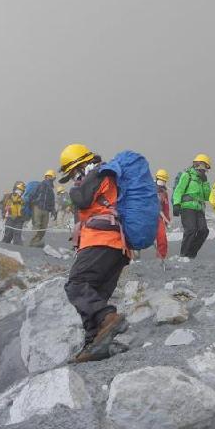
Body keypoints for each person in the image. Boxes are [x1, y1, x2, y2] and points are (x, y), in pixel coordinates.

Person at [59, 143, 129, 363]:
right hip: (117, 246)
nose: (73, 179)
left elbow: (82, 199)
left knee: (77, 284)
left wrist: (76, 187)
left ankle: (108, 317)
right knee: (95, 293)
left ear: (80, 166)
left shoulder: (98, 173)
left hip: (102, 240)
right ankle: (95, 344)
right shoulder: (104, 176)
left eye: (72, 174)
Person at [172, 154, 212, 259]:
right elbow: (179, 190)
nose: (203, 169)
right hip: (187, 207)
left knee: (204, 231)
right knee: (191, 230)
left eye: (205, 167)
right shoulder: (187, 175)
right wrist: (176, 204)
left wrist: (205, 183)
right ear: (196, 164)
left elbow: (207, 197)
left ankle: (190, 255)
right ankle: (183, 254)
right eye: (201, 165)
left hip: (199, 209)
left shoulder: (202, 180)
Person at [29, 170, 57, 247]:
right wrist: (32, 204)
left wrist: (53, 211)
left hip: (46, 210)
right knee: (37, 225)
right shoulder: (40, 185)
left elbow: (52, 201)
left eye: (52, 178)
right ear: (47, 176)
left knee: (43, 227)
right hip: (37, 207)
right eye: (51, 177)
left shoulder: (51, 190)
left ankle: (37, 241)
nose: (51, 179)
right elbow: (32, 195)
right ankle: (33, 242)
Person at [155, 169, 171, 260]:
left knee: (162, 238)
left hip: (159, 218)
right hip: (148, 216)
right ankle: (134, 257)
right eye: (160, 180)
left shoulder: (164, 193)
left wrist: (167, 221)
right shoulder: (148, 189)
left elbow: (166, 208)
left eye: (163, 181)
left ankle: (161, 257)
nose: (161, 183)